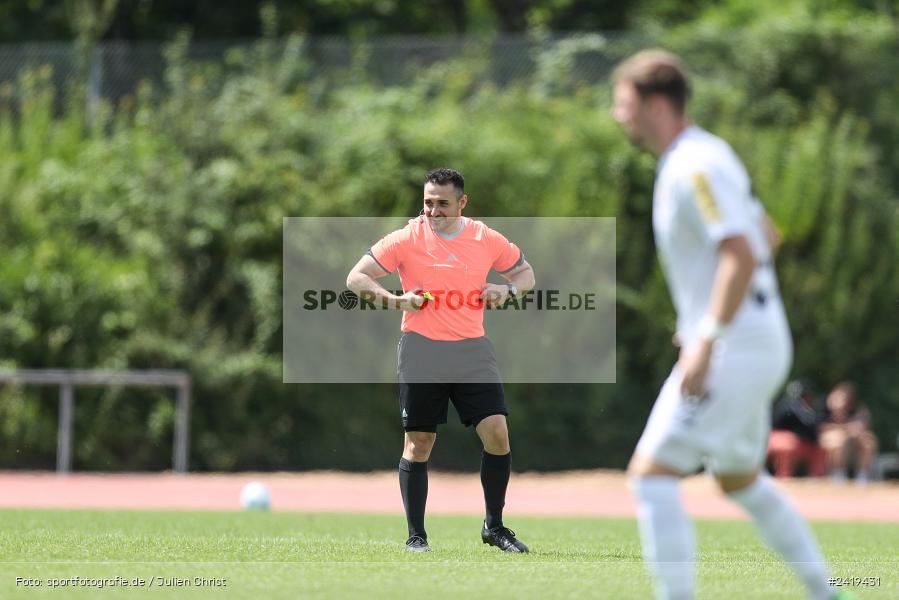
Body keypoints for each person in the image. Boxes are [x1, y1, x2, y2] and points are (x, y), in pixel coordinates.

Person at [611, 50, 843, 600]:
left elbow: (741, 251)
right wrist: (702, 317)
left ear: (657, 105)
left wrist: (707, 336)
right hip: (751, 337)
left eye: (624, 103)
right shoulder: (709, 155)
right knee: (738, 479)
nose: (618, 115)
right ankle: (828, 592)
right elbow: (766, 233)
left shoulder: (692, 165)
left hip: (734, 345)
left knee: (652, 475)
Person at [346, 168, 535, 553]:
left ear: (462, 203)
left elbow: (526, 273)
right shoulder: (405, 238)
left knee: (497, 433)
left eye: (442, 204)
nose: (432, 210)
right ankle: (416, 536)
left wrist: (508, 289)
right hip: (421, 350)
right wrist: (396, 300)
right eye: (428, 201)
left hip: (472, 350)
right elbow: (356, 278)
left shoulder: (484, 236)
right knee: (419, 442)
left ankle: (494, 527)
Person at [819, 381, 878, 485]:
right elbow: (821, 428)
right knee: (839, 440)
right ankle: (838, 475)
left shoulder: (857, 408)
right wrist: (838, 412)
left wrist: (854, 430)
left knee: (868, 441)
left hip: (853, 440)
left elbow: (863, 425)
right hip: (833, 441)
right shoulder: (824, 408)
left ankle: (862, 476)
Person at [767, 379, 827, 478]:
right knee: (788, 445)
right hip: (779, 437)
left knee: (820, 448)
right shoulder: (791, 406)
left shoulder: (809, 408)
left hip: (801, 442)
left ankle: (816, 478)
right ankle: (783, 477)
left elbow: (813, 431)